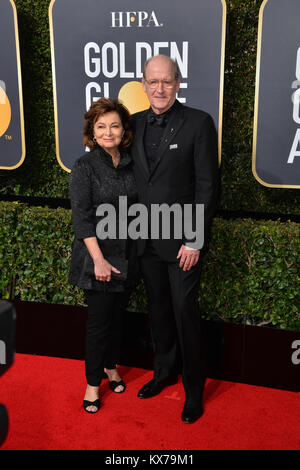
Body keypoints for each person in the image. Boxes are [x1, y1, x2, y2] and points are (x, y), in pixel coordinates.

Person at [131, 55, 219, 423]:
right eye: (153, 81)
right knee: (160, 311)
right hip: (145, 239)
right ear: (144, 83)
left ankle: (194, 389)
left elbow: (207, 186)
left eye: (167, 81)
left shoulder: (198, 122)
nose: (160, 88)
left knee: (185, 313)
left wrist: (195, 239)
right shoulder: (132, 124)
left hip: (183, 241)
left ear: (178, 83)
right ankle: (164, 371)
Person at [68, 98, 139, 414]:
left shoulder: (131, 162)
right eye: (101, 126)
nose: (108, 132)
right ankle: (93, 384)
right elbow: (81, 218)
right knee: (98, 323)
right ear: (91, 132)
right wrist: (97, 259)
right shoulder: (84, 167)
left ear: (123, 130)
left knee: (117, 320)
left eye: (114, 125)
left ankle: (111, 366)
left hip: (127, 255)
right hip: (97, 257)